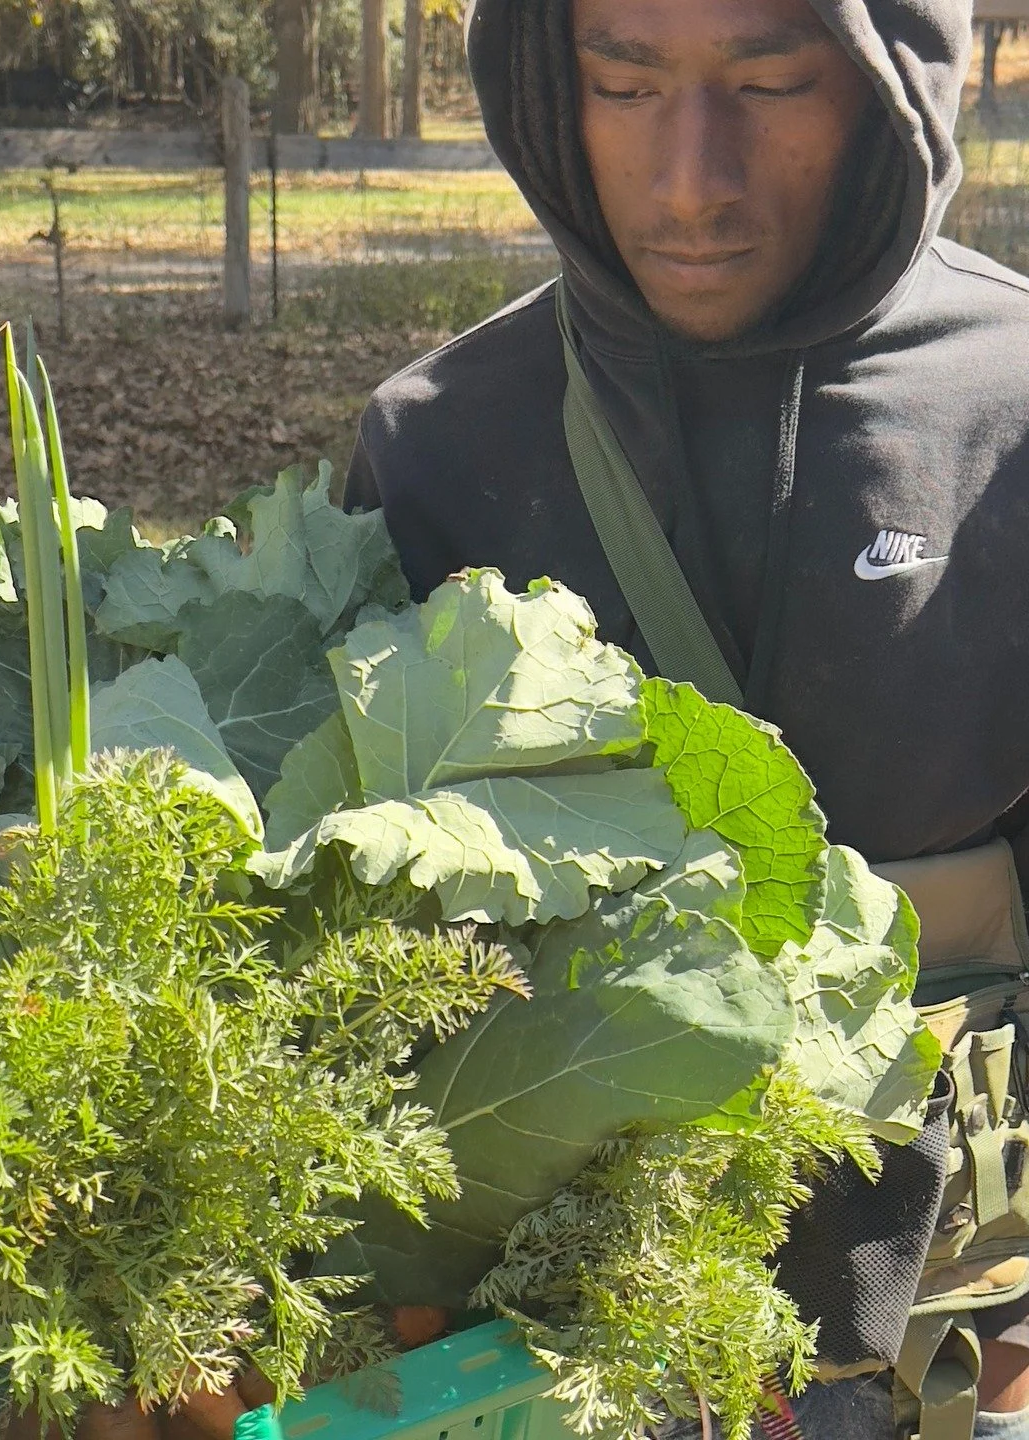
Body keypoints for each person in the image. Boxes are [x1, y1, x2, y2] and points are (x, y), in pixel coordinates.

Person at [342, 0, 1029, 1436]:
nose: (693, 181)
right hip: (552, 1363)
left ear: (889, 89)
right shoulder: (437, 441)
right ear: (549, 86)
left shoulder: (1008, 405)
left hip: (961, 1344)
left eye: (770, 84)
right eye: (625, 84)